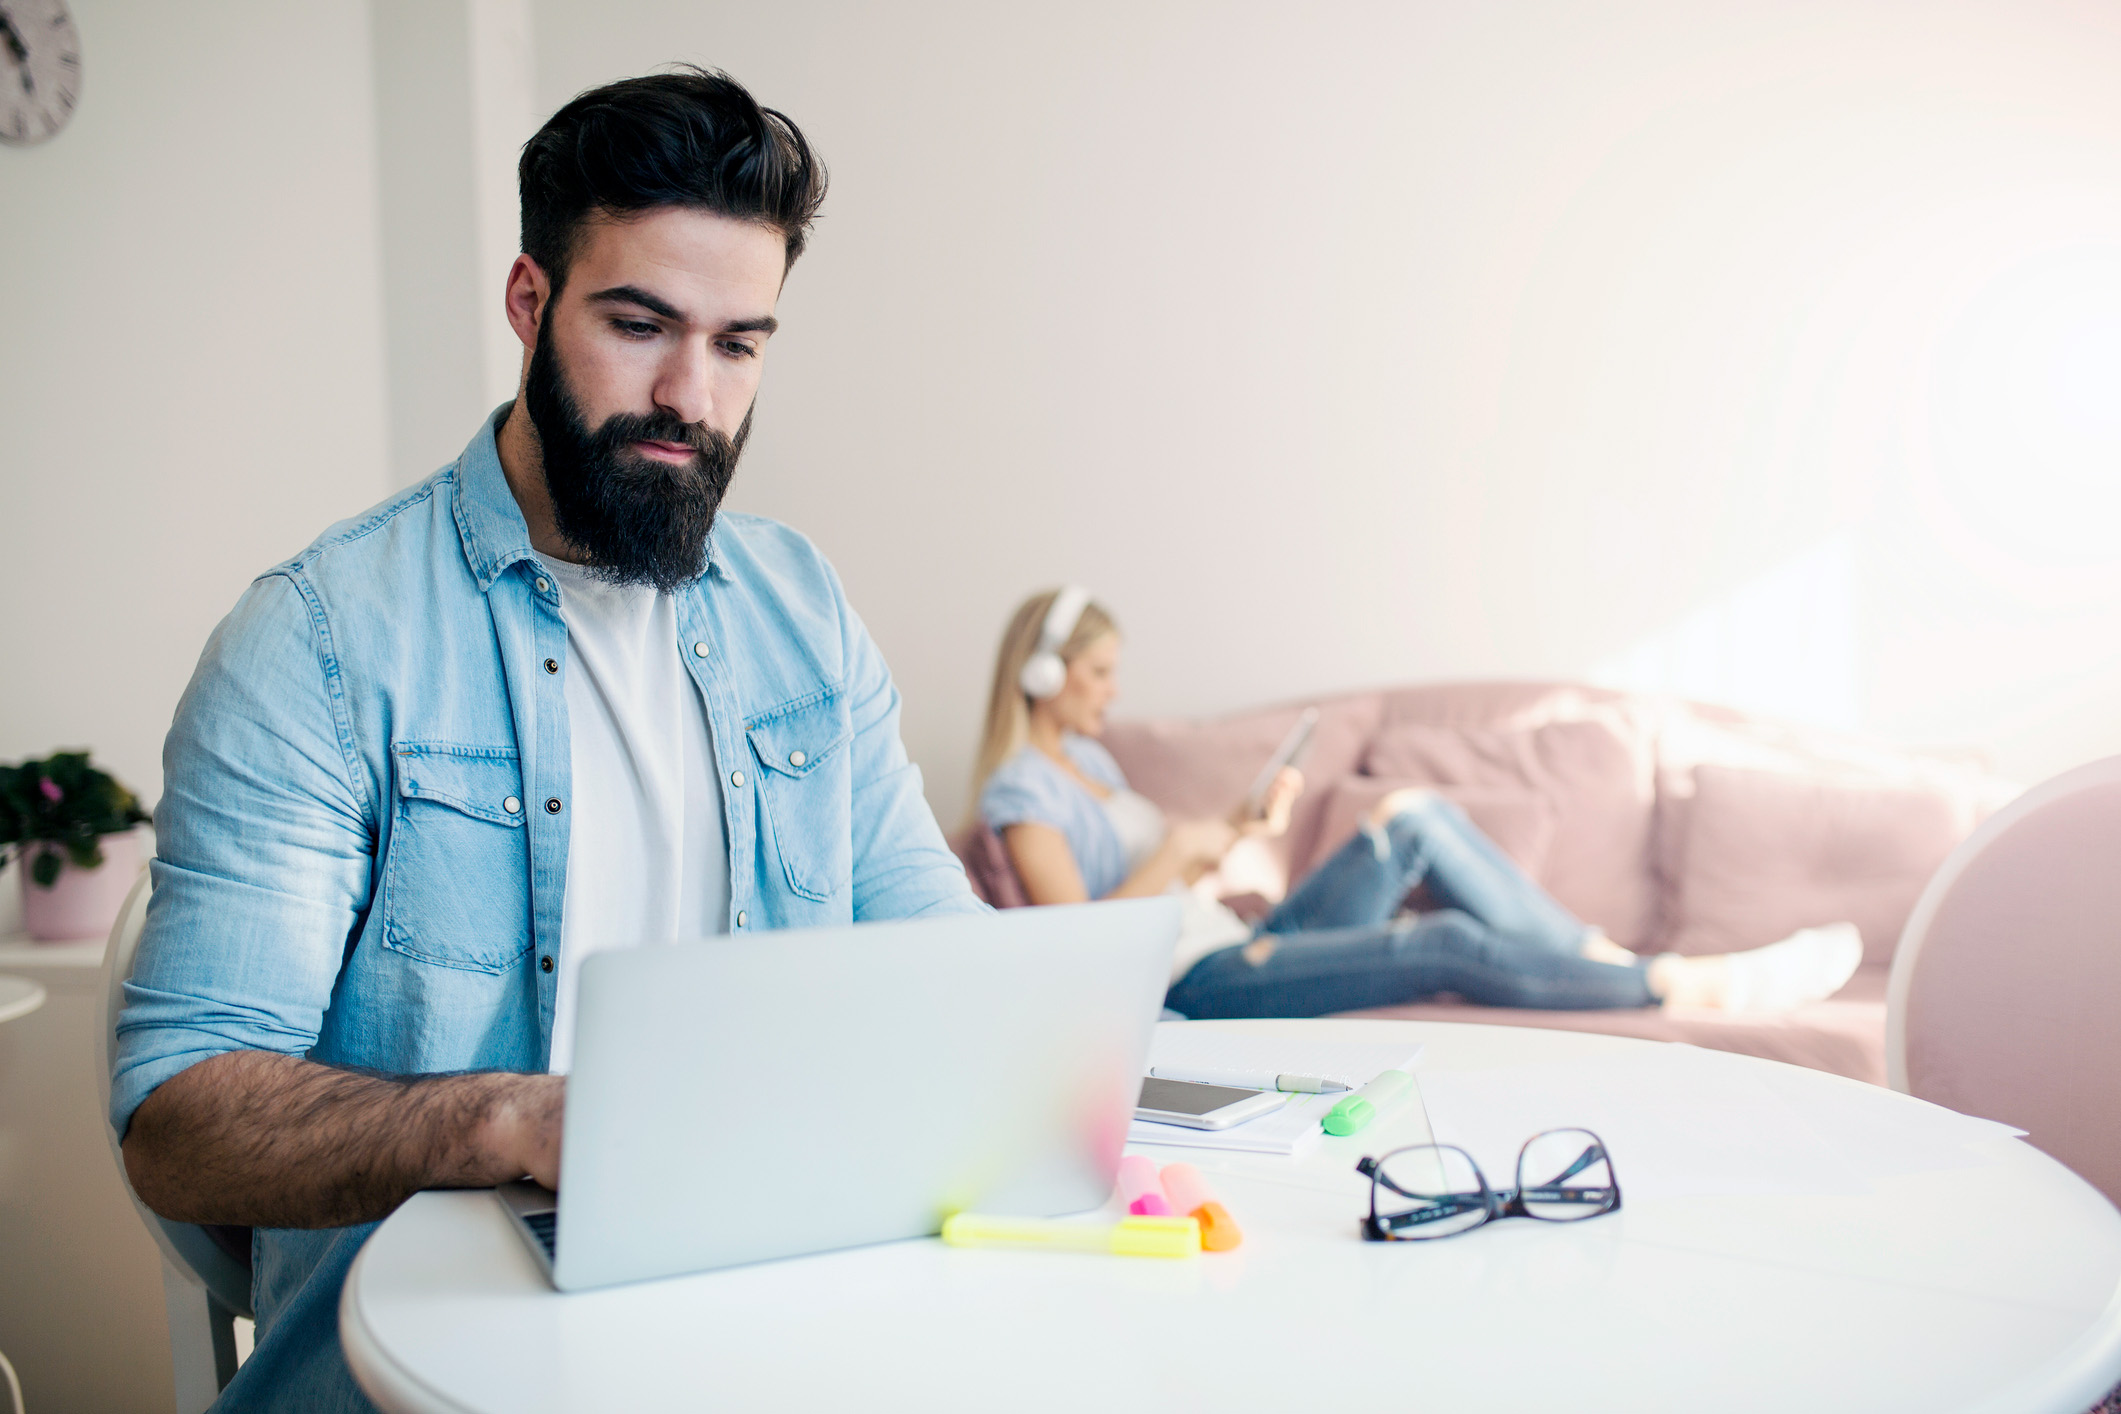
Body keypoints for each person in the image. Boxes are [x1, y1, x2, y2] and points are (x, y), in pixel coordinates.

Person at [112, 68, 983, 1410]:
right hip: (410, 1369)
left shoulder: (802, 612)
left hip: (768, 1331)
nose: (689, 395)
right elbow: (181, 1121)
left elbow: (941, 957)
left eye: (740, 343)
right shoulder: (323, 639)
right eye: (640, 325)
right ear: (530, 304)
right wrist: (504, 1119)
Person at [972, 588, 1863, 1021]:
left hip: (1223, 935)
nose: (1109, 691)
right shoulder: (1022, 790)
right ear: (1041, 674)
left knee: (1410, 816)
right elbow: (1077, 943)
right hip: (1192, 982)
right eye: (1094, 672)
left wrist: (1235, 834)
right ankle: (1674, 984)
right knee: (1442, 943)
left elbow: (1159, 880)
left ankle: (1587, 952)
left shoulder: (1090, 760)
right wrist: (1174, 855)